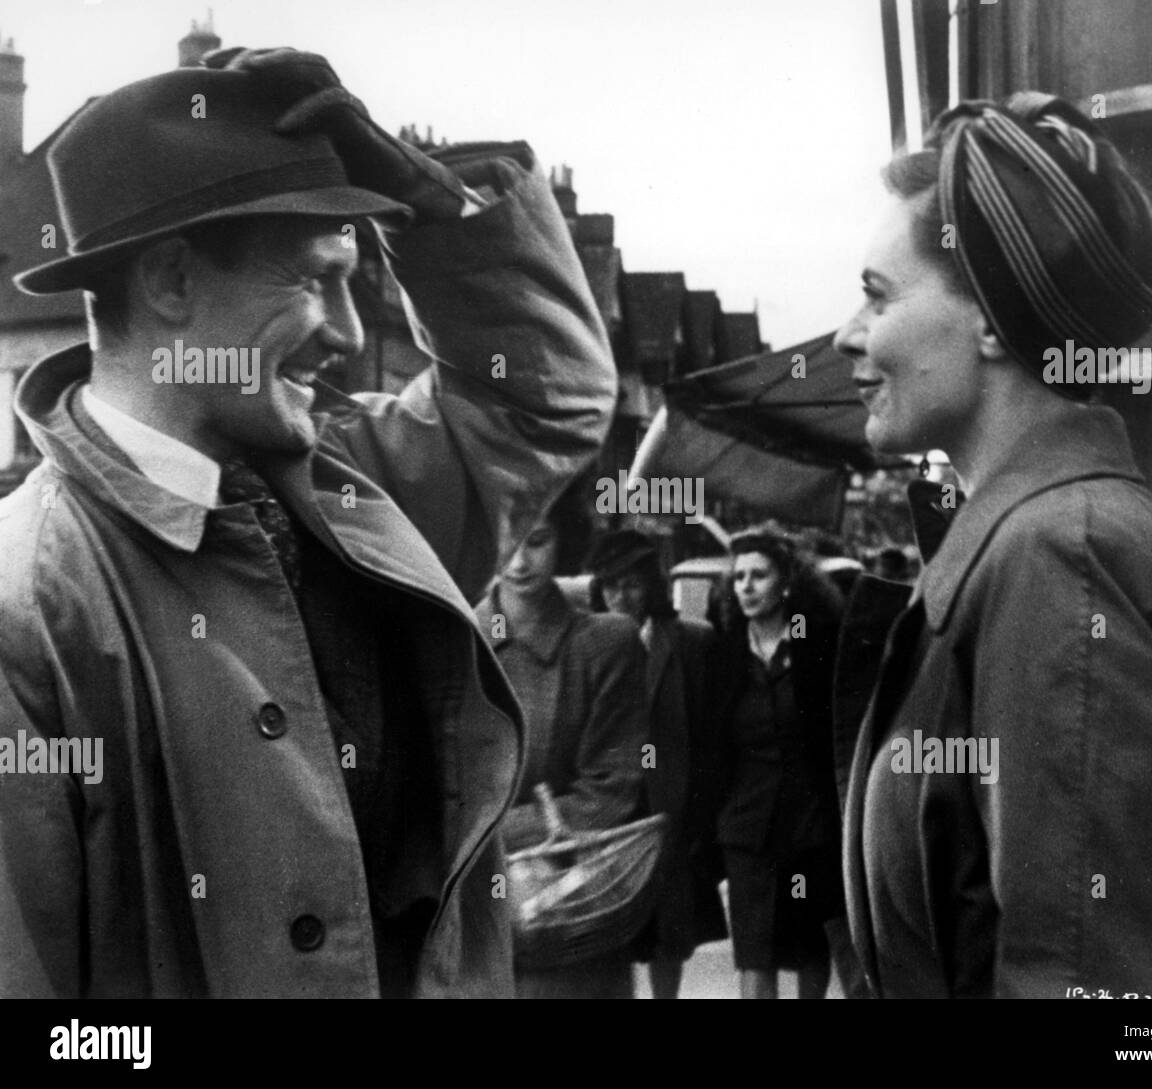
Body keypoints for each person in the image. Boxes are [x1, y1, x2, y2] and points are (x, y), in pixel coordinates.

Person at [0, 49, 616, 998]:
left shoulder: (354, 498)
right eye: (315, 279)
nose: (345, 330)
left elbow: (550, 404)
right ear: (170, 281)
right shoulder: (28, 603)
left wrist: (439, 208)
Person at [834, 92, 1152, 998]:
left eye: (877, 294)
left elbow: (1120, 999)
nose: (846, 335)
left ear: (991, 321)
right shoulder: (1043, 541)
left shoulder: (1060, 556)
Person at [476, 487, 649, 999]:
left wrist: (482, 833)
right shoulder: (452, 637)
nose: (518, 561)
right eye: (505, 541)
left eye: (537, 541)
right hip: (475, 927)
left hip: (573, 913)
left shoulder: (607, 643)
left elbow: (610, 793)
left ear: (564, 540)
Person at [586, 528, 728, 999]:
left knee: (670, 937)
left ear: (651, 585)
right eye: (610, 586)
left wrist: (702, 819)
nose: (620, 597)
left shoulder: (691, 641)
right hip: (609, 810)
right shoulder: (587, 647)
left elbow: (712, 737)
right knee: (608, 934)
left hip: (670, 809)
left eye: (631, 585)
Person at [712, 525, 846, 999]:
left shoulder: (818, 646)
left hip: (811, 827)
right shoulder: (725, 652)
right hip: (748, 831)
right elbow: (714, 748)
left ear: (787, 581)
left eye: (759, 575)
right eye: (739, 576)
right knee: (755, 954)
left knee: (812, 948)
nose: (745, 586)